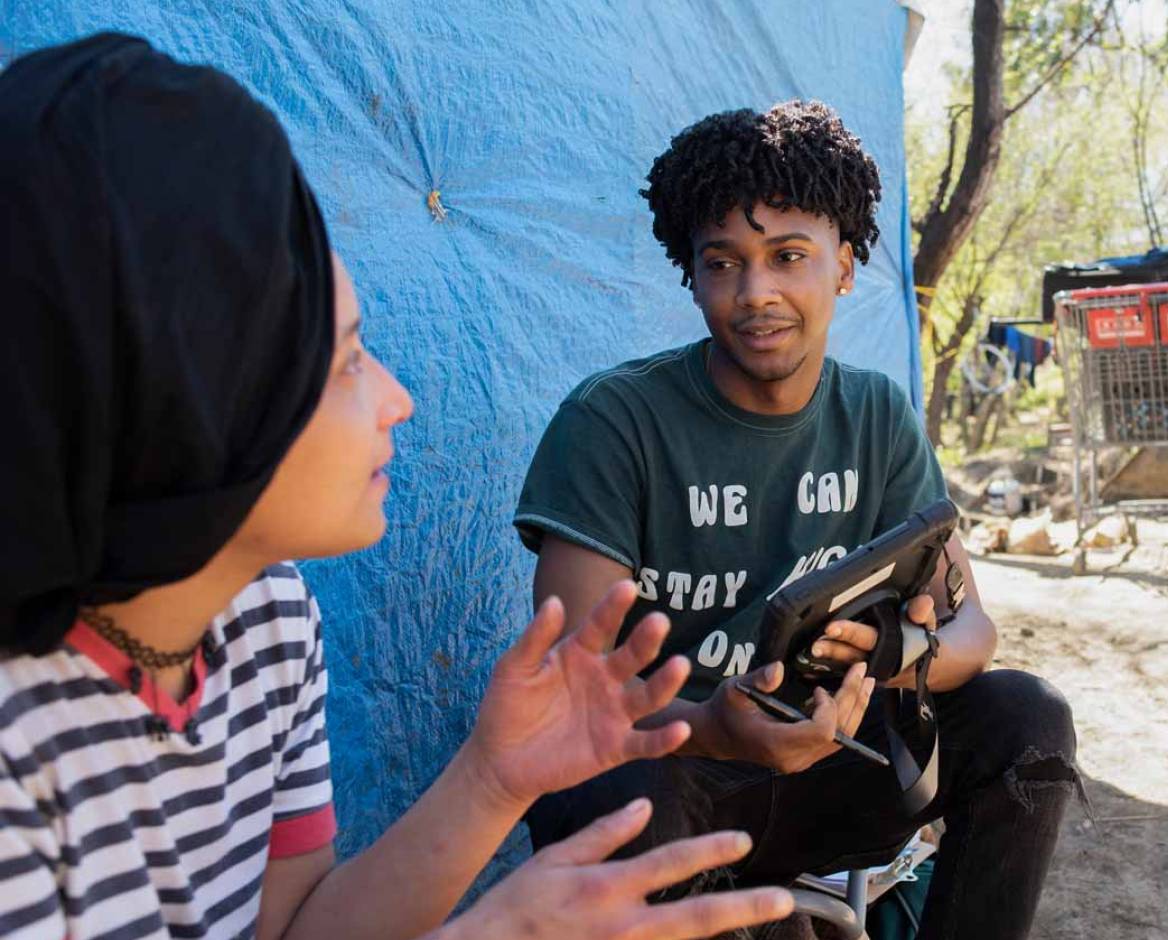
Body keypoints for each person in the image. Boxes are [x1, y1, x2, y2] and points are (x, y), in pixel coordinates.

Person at [0, 33, 794, 940]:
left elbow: (294, 931)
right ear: (195, 399)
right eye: (346, 360)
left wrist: (492, 780)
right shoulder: (20, 745)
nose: (397, 399)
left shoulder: (262, 618)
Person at [515, 100, 1079, 939]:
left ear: (843, 267)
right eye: (723, 263)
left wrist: (893, 655)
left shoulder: (876, 419)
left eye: (788, 256)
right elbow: (571, 690)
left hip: (833, 766)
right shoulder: (615, 423)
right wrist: (713, 728)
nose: (756, 294)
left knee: (1027, 720)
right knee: (610, 792)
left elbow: (973, 632)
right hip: (675, 770)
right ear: (692, 275)